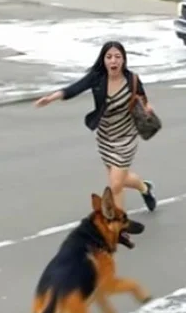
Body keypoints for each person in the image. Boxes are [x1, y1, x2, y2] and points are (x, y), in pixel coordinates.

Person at [34, 40, 157, 212]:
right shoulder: (97, 78)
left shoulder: (132, 79)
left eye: (117, 57)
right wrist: (50, 98)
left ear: (123, 60)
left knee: (115, 185)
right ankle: (145, 188)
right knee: (120, 180)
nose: (113, 61)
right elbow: (74, 88)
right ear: (103, 60)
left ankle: (120, 224)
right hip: (105, 136)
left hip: (126, 136)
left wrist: (147, 107)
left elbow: (142, 98)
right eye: (109, 57)